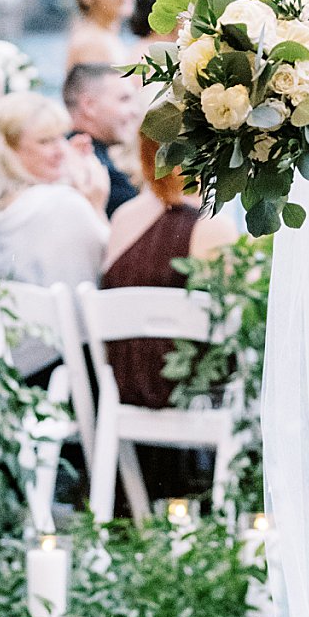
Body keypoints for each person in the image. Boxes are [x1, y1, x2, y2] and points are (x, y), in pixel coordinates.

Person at [97, 131, 239, 502]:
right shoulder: (212, 227)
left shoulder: (124, 217)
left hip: (124, 383)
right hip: (183, 387)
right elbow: (239, 314)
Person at [0, 91, 109, 292]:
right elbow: (114, 270)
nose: (61, 150)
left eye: (61, 137)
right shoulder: (61, 204)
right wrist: (96, 207)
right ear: (8, 151)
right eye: (45, 141)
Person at [60, 63, 139, 217]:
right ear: (89, 106)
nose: (135, 111)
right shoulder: (96, 173)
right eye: (124, 99)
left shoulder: (69, 153)